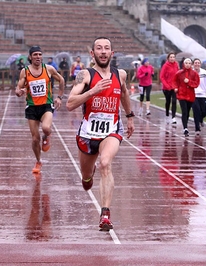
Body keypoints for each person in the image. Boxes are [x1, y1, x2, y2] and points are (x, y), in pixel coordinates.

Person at [66, 37, 135, 231]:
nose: (103, 52)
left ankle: (105, 214)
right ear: (92, 54)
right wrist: (92, 91)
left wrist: (129, 116)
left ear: (112, 53)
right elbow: (70, 103)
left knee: (105, 163)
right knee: (87, 180)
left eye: (106, 49)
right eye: (99, 48)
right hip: (88, 134)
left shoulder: (120, 75)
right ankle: (88, 175)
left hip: (111, 130)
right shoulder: (84, 75)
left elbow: (123, 94)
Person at [15, 46, 65, 174]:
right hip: (32, 107)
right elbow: (19, 87)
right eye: (35, 54)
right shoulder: (25, 71)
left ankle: (47, 136)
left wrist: (59, 97)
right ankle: (38, 161)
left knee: (46, 128)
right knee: (35, 139)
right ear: (30, 57)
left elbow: (61, 80)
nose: (38, 57)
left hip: (46, 105)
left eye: (40, 54)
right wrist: (19, 92)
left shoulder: (48, 69)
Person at [172, 58, 200, 137]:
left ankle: (185, 124)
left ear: (191, 64)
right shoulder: (179, 73)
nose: (187, 64)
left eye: (189, 63)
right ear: (184, 64)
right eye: (186, 63)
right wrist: (175, 88)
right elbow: (174, 81)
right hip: (182, 95)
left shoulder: (194, 74)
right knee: (184, 111)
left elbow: (196, 83)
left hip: (190, 96)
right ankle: (185, 128)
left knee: (187, 112)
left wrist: (189, 82)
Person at [192, 58, 206, 135]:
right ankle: (197, 128)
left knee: (204, 112)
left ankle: (201, 120)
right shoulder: (191, 72)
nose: (197, 64)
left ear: (200, 64)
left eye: (198, 63)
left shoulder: (204, 72)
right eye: (195, 63)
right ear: (193, 64)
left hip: (203, 95)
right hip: (194, 95)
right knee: (196, 111)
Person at [160, 52, 179, 124]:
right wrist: (167, 85)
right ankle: (167, 114)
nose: (172, 59)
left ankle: (173, 117)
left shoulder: (176, 65)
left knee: (174, 101)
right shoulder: (165, 66)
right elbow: (162, 77)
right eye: (171, 57)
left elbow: (178, 75)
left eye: (173, 57)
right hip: (166, 87)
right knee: (168, 101)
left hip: (174, 87)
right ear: (168, 58)